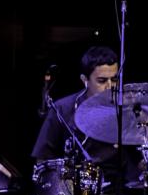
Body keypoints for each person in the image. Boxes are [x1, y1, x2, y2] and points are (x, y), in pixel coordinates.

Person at [31, 44, 127, 186]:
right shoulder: (62, 109)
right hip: (72, 193)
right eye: (102, 81)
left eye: (114, 80)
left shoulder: (127, 110)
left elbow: (139, 161)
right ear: (85, 80)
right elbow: (43, 159)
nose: (110, 86)